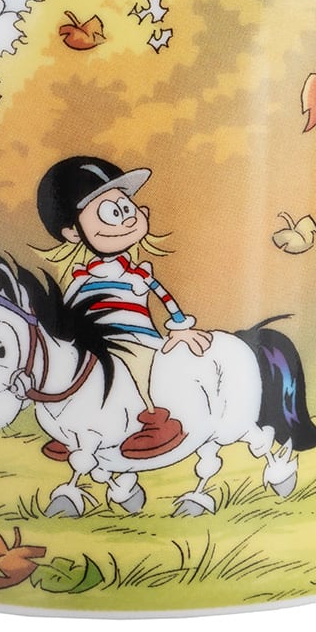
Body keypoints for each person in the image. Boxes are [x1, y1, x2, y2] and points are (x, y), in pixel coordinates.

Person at [36, 156, 212, 458]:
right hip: (90, 344)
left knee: (137, 365)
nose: (128, 219)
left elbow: (165, 298)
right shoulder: (81, 279)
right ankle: (72, 424)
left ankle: (155, 419)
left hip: (136, 340)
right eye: (111, 213)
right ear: (73, 232)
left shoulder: (137, 274)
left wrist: (181, 329)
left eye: (126, 207)